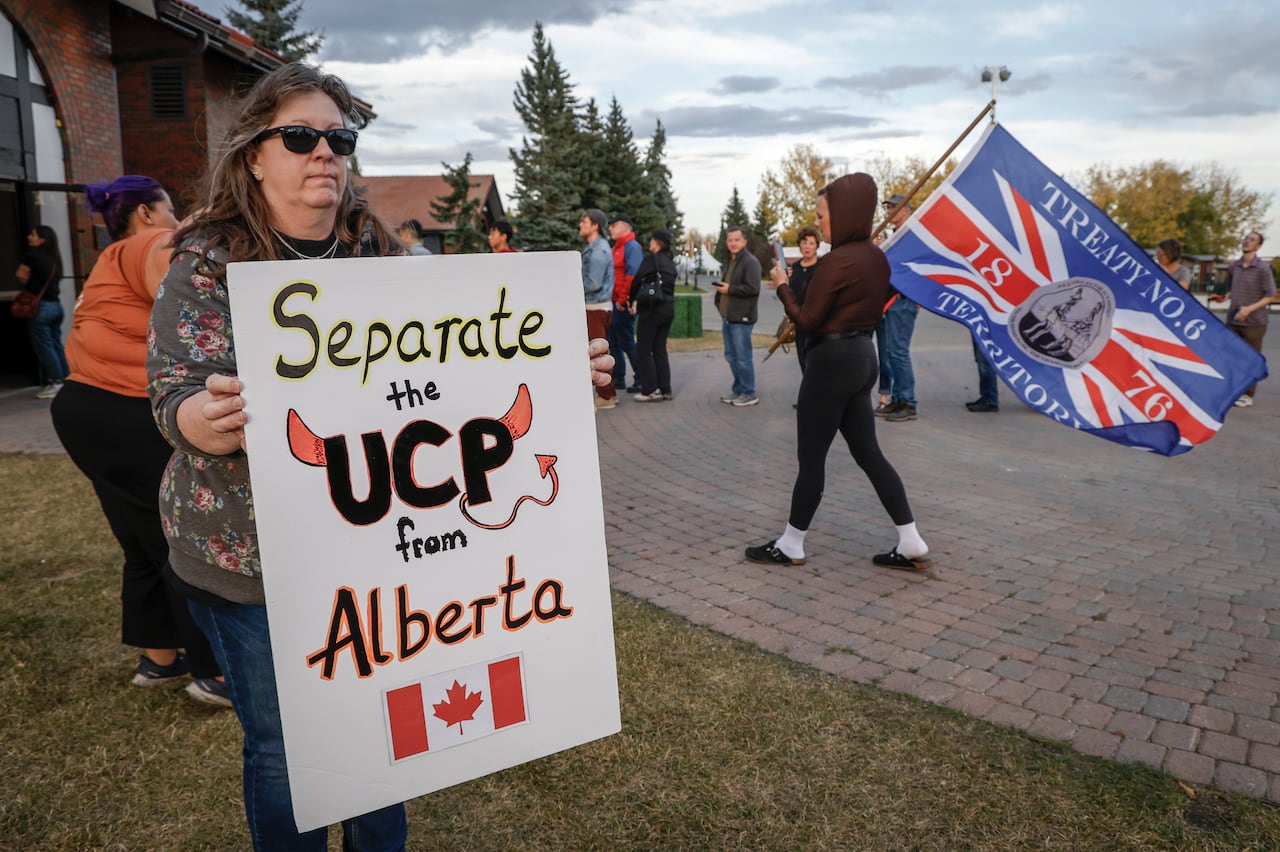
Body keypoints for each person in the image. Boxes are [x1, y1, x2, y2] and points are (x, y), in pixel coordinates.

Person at [147, 62, 615, 850]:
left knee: (382, 739)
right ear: (254, 155)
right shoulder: (207, 263)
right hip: (249, 560)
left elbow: (465, 371)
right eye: (299, 136)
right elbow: (172, 395)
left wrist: (562, 374)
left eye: (339, 138)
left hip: (375, 562)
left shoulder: (379, 254)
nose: (324, 151)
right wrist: (202, 416)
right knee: (287, 750)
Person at [50, 175, 228, 707]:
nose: (178, 219)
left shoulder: (109, 258)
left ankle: (160, 658)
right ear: (148, 213)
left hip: (83, 408)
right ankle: (213, 670)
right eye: (171, 208)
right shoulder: (150, 244)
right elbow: (176, 275)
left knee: (140, 540)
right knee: (180, 538)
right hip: (126, 411)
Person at [746, 173, 931, 572]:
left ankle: (792, 543)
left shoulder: (837, 261)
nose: (821, 223)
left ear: (845, 215)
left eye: (823, 216)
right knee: (869, 453)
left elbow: (808, 320)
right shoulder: (877, 259)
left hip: (830, 364)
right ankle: (910, 538)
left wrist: (782, 286)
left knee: (811, 459)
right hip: (863, 358)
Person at [873, 194, 919, 422]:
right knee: (891, 352)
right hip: (891, 300)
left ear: (906, 210)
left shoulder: (910, 236)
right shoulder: (895, 236)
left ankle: (908, 402)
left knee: (899, 352)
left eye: (894, 208)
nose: (889, 211)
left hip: (903, 299)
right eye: (888, 208)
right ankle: (898, 398)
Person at [1224, 231, 1277, 408]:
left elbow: (1270, 296)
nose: (1247, 241)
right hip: (1233, 320)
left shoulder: (1263, 268)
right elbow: (1233, 288)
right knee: (1231, 357)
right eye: (1246, 238)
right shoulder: (1234, 267)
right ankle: (1232, 390)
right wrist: (1225, 297)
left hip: (1254, 323)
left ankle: (1248, 394)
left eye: (1252, 240)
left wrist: (1248, 309)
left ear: (1258, 246)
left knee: (1250, 359)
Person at [17, 225, 69, 398]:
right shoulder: (55, 258)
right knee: (56, 344)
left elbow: (21, 275)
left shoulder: (32, 256)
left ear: (42, 239)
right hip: (56, 306)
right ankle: (66, 379)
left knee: (45, 346)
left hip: (40, 308)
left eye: (33, 235)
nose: (29, 237)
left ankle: (55, 382)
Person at [713, 226, 761, 406]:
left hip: (742, 318)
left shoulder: (751, 262)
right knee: (731, 356)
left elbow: (753, 288)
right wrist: (720, 299)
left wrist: (729, 289)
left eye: (737, 240)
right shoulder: (729, 260)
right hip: (728, 316)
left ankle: (749, 392)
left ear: (744, 242)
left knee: (742, 357)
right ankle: (739, 389)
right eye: (730, 240)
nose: (733, 243)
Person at [629, 228, 678, 401]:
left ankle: (649, 389)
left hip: (651, 309)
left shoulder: (652, 260)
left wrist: (631, 299)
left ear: (657, 242)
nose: (649, 242)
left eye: (651, 240)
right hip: (668, 310)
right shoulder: (671, 263)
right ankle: (665, 388)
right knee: (659, 349)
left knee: (644, 349)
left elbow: (636, 281)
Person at [581, 208, 617, 410]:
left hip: (596, 307)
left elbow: (593, 282)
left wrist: (571, 287)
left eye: (585, 221)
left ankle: (607, 395)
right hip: (595, 306)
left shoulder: (598, 250)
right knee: (597, 350)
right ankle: (607, 393)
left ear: (595, 225)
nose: (581, 225)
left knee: (597, 351)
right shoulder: (596, 247)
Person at [608, 214, 642, 392]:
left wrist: (623, 299)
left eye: (614, 225)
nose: (610, 228)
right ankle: (618, 377)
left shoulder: (632, 247)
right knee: (613, 342)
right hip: (613, 303)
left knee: (627, 341)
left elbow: (632, 275)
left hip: (622, 303)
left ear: (625, 226)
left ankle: (641, 377)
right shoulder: (616, 248)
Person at [785, 226, 822, 373]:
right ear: (799, 245)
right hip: (799, 322)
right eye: (804, 242)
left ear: (817, 247)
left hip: (817, 323)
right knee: (803, 360)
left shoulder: (822, 267)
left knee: (817, 363)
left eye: (811, 243)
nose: (807, 246)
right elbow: (789, 294)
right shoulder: (793, 268)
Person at [966, 339, 1000, 412]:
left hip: (987, 331)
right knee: (981, 361)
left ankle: (990, 400)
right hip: (980, 329)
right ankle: (985, 397)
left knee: (985, 363)